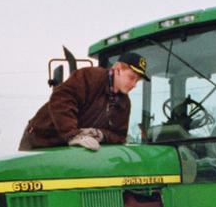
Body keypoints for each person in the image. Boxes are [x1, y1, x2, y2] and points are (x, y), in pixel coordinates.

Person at [18, 51, 149, 152]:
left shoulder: (124, 104)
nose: (134, 84)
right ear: (117, 69)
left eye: (137, 81)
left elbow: (119, 136)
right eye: (131, 77)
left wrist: (100, 135)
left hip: (70, 148)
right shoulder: (89, 77)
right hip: (40, 140)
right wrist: (72, 134)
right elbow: (61, 98)